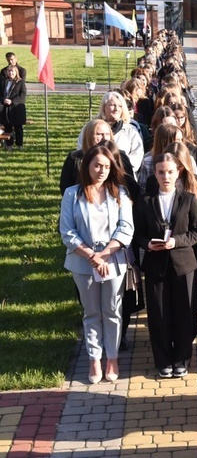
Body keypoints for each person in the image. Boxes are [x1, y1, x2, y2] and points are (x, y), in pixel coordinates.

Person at [60, 145, 134, 384]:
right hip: (83, 262)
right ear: (87, 167)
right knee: (91, 312)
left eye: (106, 166)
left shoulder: (120, 193)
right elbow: (67, 232)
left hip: (113, 261)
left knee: (112, 311)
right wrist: (92, 255)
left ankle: (112, 357)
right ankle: (94, 359)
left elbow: (126, 229)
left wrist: (104, 255)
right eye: (97, 166)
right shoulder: (72, 194)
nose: (101, 170)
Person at [135, 152, 197, 378]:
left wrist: (176, 241)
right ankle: (163, 360)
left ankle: (181, 358)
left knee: (184, 312)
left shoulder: (189, 199)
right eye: (161, 172)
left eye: (170, 172)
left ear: (178, 172)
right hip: (156, 264)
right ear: (154, 173)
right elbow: (138, 234)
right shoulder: (145, 201)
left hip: (183, 264)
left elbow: (195, 234)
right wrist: (148, 244)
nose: (166, 176)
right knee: (159, 314)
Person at [0, 64, 26, 150]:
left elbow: (22, 95)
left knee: (18, 128)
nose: (11, 73)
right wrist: (3, 100)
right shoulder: (3, 82)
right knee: (8, 128)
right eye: (9, 71)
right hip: (5, 108)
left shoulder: (20, 82)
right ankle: (9, 145)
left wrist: (12, 101)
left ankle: (19, 145)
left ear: (16, 72)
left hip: (16, 108)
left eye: (13, 71)